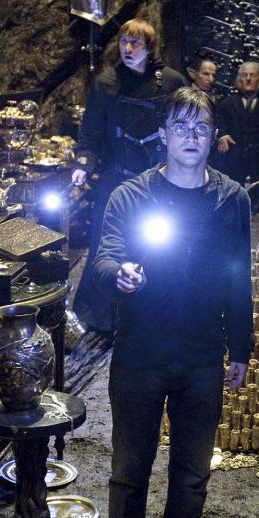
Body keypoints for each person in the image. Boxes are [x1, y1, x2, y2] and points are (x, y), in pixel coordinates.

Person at [86, 87, 252, 518]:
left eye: (200, 127)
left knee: (193, 469)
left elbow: (239, 276)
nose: (190, 137)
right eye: (180, 126)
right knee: (129, 466)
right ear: (163, 135)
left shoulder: (232, 199)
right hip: (141, 349)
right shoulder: (131, 196)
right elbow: (104, 255)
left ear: (214, 136)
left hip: (202, 351)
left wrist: (241, 347)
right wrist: (120, 273)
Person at [70, 18, 186, 333]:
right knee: (108, 245)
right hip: (116, 180)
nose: (128, 48)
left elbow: (184, 128)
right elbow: (92, 132)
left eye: (136, 43)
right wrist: (83, 164)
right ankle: (102, 320)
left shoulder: (173, 83)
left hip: (159, 182)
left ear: (150, 48)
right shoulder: (106, 83)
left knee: (162, 245)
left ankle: (160, 316)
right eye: (124, 42)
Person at [213, 61, 259, 195]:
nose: (248, 79)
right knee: (233, 191)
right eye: (244, 75)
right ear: (239, 80)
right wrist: (223, 135)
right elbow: (218, 120)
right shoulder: (226, 104)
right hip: (234, 158)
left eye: (252, 75)